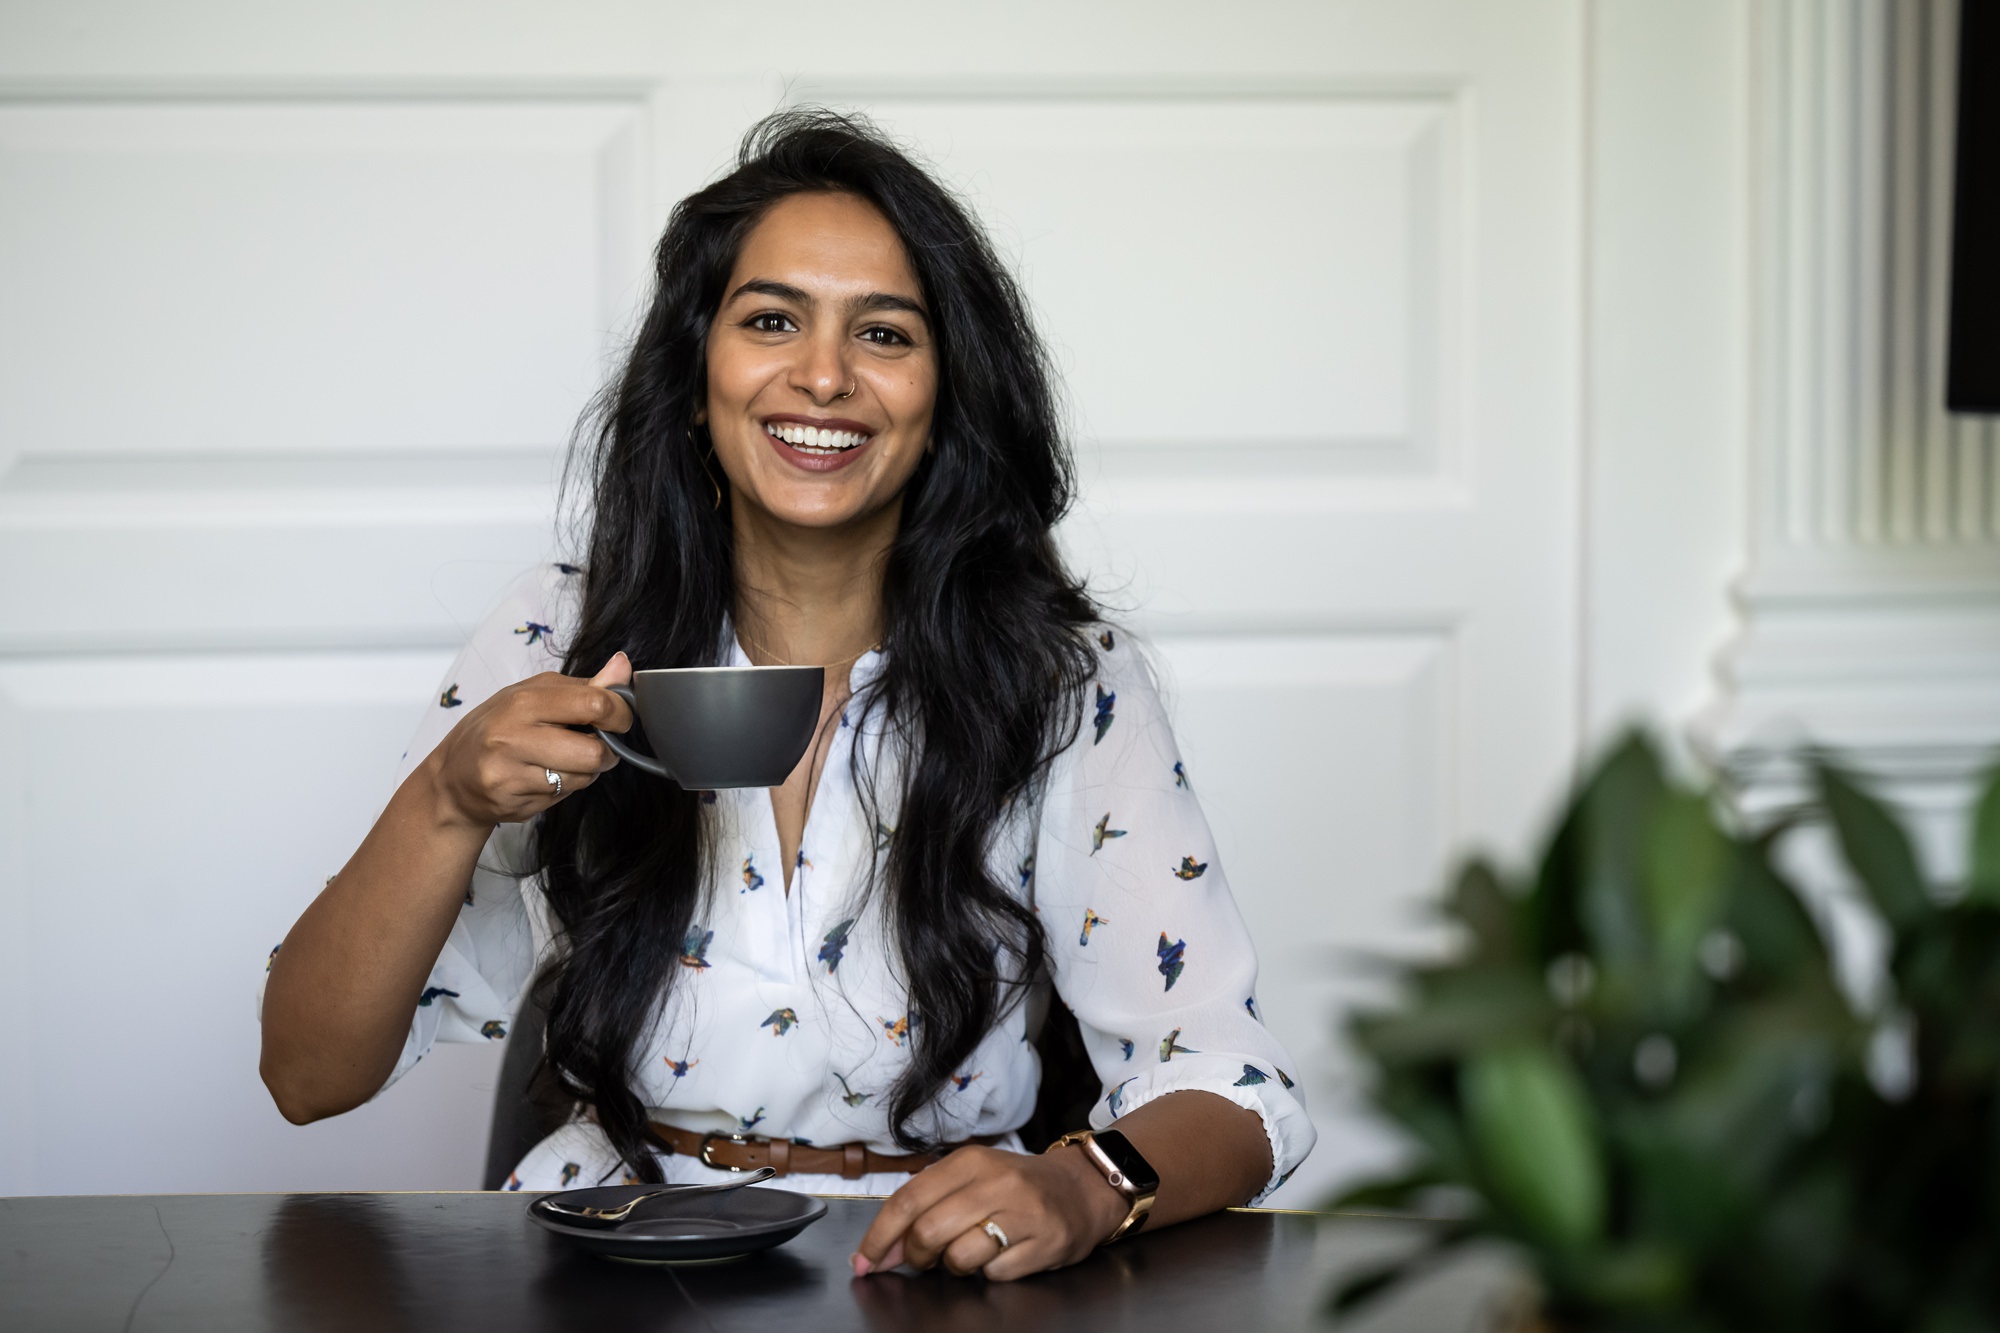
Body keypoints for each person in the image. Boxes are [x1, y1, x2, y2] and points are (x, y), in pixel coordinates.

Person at [259, 109, 1313, 1281]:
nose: (823, 374)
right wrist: (447, 802)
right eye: (770, 320)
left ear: (945, 391)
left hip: (936, 1273)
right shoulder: (556, 632)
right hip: (608, 1265)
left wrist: (1078, 1183)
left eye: (884, 333)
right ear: (696, 366)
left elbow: (1232, 1081)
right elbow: (308, 1078)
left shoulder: (1061, 679)